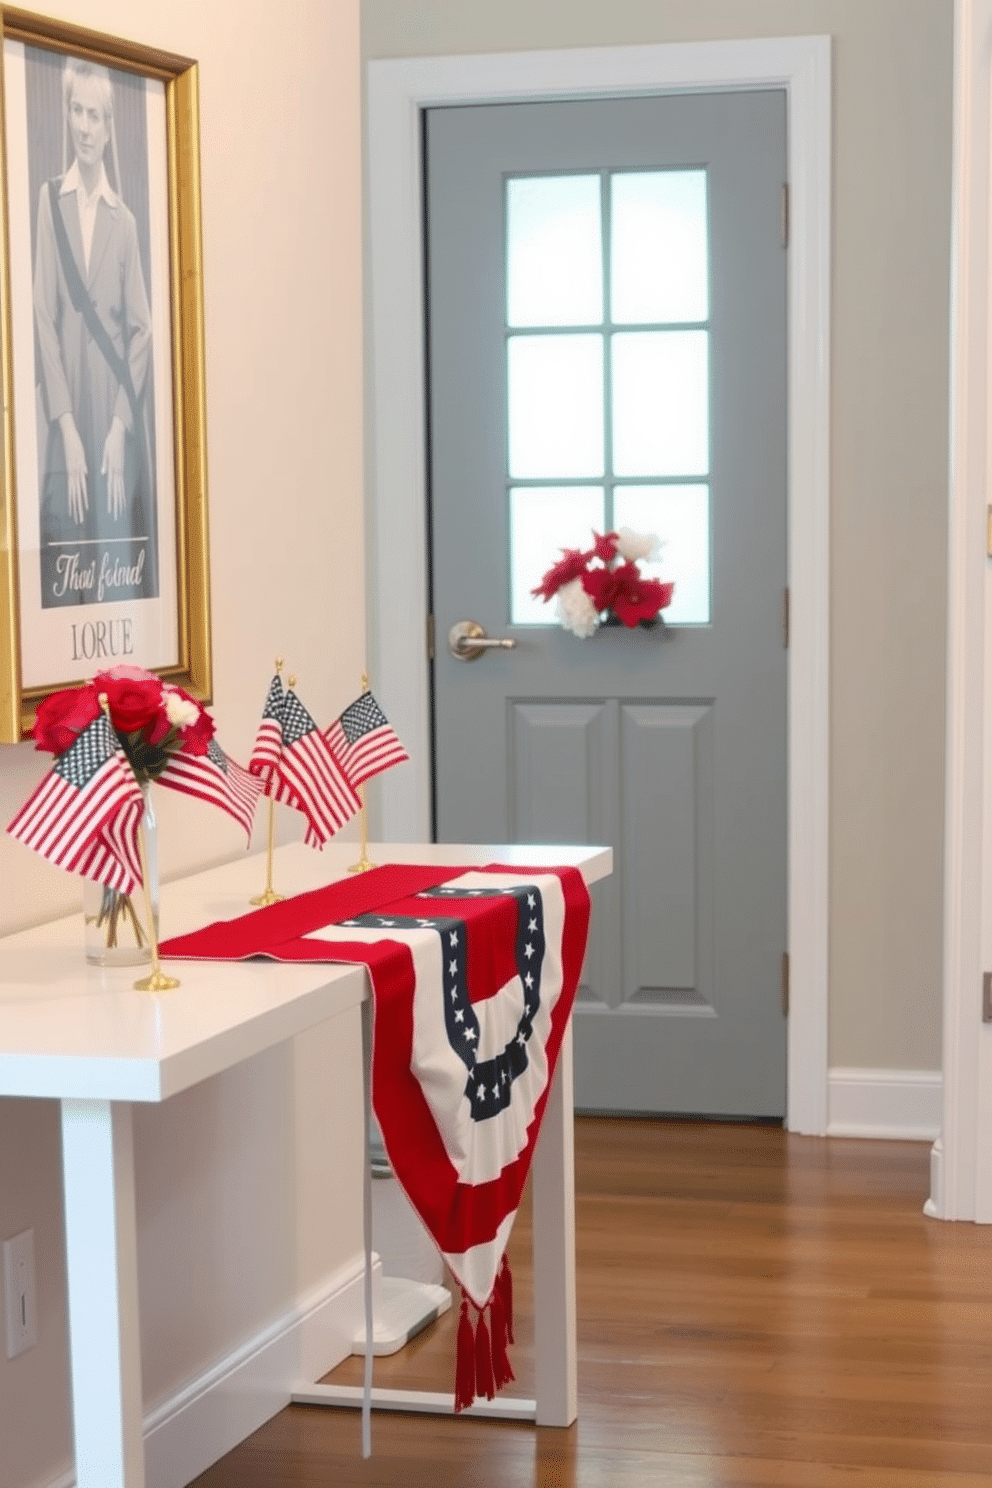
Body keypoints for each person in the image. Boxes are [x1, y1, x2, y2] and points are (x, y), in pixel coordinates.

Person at [34, 56, 157, 608]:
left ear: (109, 128)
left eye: (95, 116)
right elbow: (43, 315)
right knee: (63, 558)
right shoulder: (49, 202)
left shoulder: (124, 221)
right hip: (66, 410)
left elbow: (143, 330)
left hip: (110, 409)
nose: (84, 126)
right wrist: (65, 425)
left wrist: (116, 428)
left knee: (114, 567)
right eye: (76, 112)